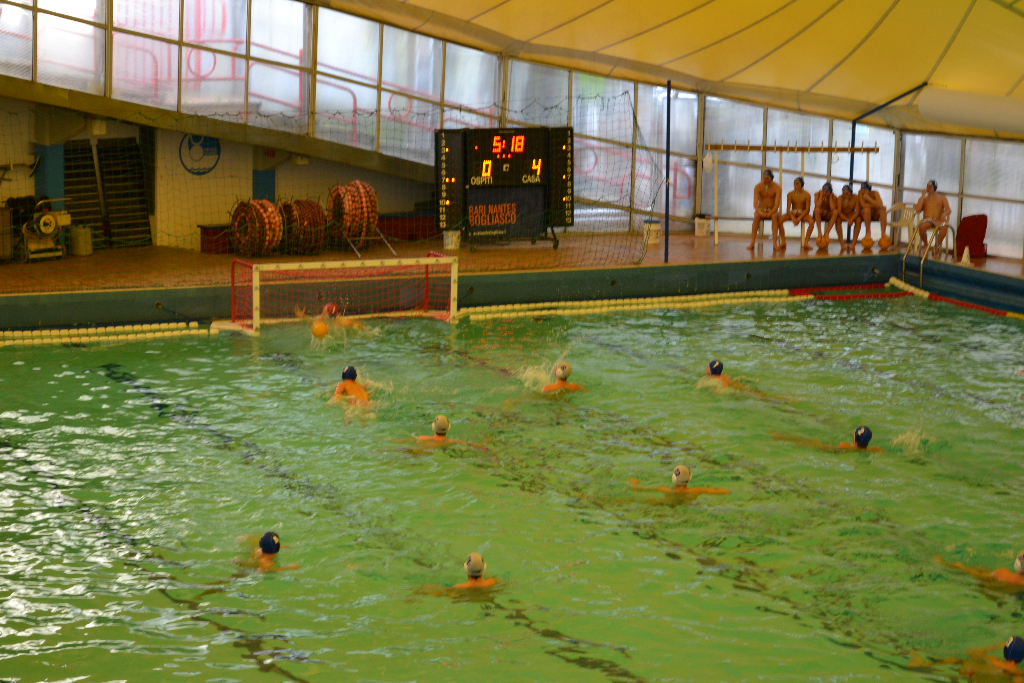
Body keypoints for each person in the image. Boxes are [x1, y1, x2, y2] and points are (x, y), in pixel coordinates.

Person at [627, 465, 731, 502]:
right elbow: (723, 491)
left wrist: (634, 483)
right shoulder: (696, 490)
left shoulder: (663, 489)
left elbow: (638, 489)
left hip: (668, 504)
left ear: (673, 479)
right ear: (689, 479)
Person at [934, 551, 1024, 588]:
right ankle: (948, 564)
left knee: (977, 571)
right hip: (989, 589)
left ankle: (944, 563)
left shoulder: (1002, 572)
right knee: (968, 570)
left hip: (991, 586)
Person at [914, 180, 953, 258]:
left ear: (935, 188)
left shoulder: (942, 198)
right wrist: (922, 196)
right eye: (927, 186)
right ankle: (926, 245)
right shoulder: (924, 199)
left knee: (944, 227)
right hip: (927, 219)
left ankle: (936, 246)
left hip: (938, 220)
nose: (928, 188)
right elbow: (917, 210)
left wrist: (944, 214)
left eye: (930, 187)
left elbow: (949, 210)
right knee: (921, 227)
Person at [750, 169, 783, 251]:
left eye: (767, 178)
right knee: (756, 216)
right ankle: (752, 242)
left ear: (771, 178)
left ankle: (775, 242)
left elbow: (777, 205)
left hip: (772, 210)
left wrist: (770, 212)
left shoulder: (777, 187)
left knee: (774, 217)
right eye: (763, 178)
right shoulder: (758, 186)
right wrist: (761, 212)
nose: (765, 180)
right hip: (761, 209)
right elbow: (755, 204)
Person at [781, 177, 812, 249]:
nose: (795, 185)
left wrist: (799, 218)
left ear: (801, 185)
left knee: (812, 222)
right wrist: (792, 217)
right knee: (780, 220)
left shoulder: (807, 194)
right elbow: (788, 209)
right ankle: (783, 241)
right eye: (794, 184)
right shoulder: (790, 194)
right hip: (793, 212)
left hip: (803, 213)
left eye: (797, 184)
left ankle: (806, 242)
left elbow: (807, 210)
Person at [855, 182, 888, 250]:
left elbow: (881, 204)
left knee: (883, 210)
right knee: (867, 209)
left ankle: (883, 233)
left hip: (874, 214)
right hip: (864, 214)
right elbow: (864, 205)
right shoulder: (860, 193)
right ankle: (868, 232)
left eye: (865, 190)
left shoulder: (875, 193)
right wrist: (876, 205)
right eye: (862, 189)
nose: (863, 191)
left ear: (869, 190)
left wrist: (868, 198)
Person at [808, 181, 837, 249]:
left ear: (830, 192)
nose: (825, 193)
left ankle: (827, 233)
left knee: (836, 212)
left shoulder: (833, 197)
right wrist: (821, 195)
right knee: (817, 209)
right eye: (823, 191)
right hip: (818, 214)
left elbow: (833, 208)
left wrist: (830, 197)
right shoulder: (817, 194)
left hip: (827, 214)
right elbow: (817, 205)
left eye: (827, 192)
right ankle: (819, 233)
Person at [835, 184, 861, 254]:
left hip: (851, 214)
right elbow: (839, 212)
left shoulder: (855, 197)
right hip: (843, 215)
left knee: (858, 220)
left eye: (846, 193)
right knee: (837, 220)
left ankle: (853, 244)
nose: (844, 195)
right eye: (843, 193)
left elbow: (857, 211)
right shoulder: (840, 198)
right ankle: (842, 244)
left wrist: (851, 219)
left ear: (851, 193)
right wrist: (847, 220)